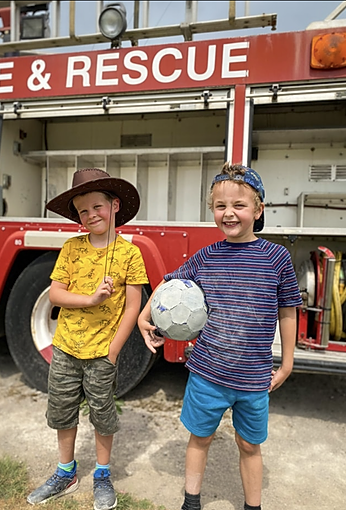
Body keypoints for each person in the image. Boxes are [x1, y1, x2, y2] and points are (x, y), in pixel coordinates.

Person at [138, 163, 302, 510]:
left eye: (239, 205)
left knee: (249, 445)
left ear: (258, 210)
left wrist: (286, 363)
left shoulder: (277, 259)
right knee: (200, 439)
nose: (229, 213)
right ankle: (191, 502)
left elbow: (288, 312)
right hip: (207, 375)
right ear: (212, 209)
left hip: (254, 379)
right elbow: (169, 283)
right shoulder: (206, 256)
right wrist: (143, 314)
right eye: (220, 206)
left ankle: (252, 506)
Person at [27, 168, 149, 509]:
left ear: (114, 205)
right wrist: (91, 299)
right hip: (65, 349)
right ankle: (65, 472)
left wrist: (112, 352)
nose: (91, 214)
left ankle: (102, 474)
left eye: (97, 206)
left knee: (102, 414)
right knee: (62, 411)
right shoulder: (71, 248)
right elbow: (55, 295)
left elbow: (132, 308)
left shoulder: (130, 254)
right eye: (83, 211)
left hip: (102, 354)